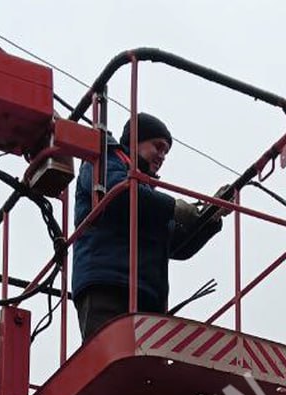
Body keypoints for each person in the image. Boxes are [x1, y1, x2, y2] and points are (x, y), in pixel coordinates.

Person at [72, 113, 228, 339]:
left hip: (146, 295)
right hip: (107, 284)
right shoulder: (103, 158)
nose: (162, 156)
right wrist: (174, 206)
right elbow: (118, 195)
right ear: (136, 140)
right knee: (112, 362)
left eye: (166, 151)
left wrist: (210, 217)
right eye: (158, 146)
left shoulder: (146, 194)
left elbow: (176, 245)